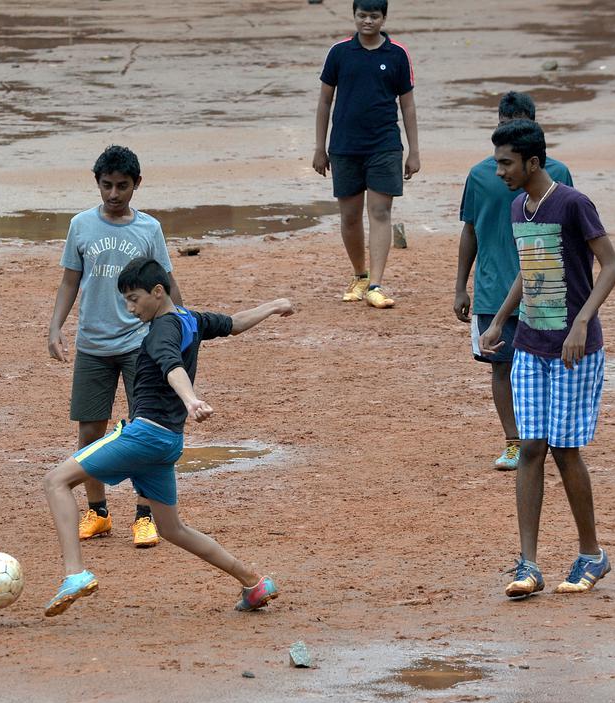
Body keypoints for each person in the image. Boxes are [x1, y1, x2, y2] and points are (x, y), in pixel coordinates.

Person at [41, 258, 293, 617]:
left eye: (133, 298)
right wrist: (273, 306)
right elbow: (235, 324)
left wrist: (191, 400)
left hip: (145, 435)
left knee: (55, 482)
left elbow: (171, 365)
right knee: (172, 528)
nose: (130, 308)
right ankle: (253, 582)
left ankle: (75, 574)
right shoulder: (192, 319)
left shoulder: (161, 330)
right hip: (168, 442)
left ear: (157, 293)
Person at [479, 120, 615, 599]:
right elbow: (530, 269)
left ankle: (591, 554)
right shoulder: (520, 207)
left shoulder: (573, 203)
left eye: (506, 163)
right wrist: (499, 320)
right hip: (531, 346)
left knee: (565, 450)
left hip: (573, 351)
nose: (499, 171)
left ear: (532, 162)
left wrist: (582, 322)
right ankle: (529, 564)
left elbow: (612, 265)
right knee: (530, 448)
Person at [48, 145, 183, 549]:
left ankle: (145, 516)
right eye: (106, 185)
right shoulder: (80, 226)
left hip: (139, 345)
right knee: (90, 430)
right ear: (97, 184)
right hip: (92, 343)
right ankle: (98, 512)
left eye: (122, 186)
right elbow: (70, 280)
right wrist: (56, 326)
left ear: (136, 185)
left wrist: (183, 325)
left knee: (143, 431)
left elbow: (167, 284)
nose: (113, 194)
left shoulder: (149, 230)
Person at [455, 92, 574, 471]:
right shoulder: (481, 174)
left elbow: (573, 236)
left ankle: (549, 440)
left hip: (546, 291)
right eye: (506, 124)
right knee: (502, 367)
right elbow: (469, 230)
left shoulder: (559, 175)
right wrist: (461, 285)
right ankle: (514, 441)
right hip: (493, 288)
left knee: (550, 364)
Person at [313, 0, 420, 308]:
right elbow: (324, 102)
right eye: (362, 15)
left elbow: (408, 105)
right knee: (349, 216)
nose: (368, 21)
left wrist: (414, 151)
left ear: (384, 18)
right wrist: (320, 148)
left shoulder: (397, 54)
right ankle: (359, 275)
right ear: (354, 16)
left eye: (374, 16)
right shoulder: (339, 53)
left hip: (384, 146)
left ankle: (376, 283)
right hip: (344, 146)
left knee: (381, 213)